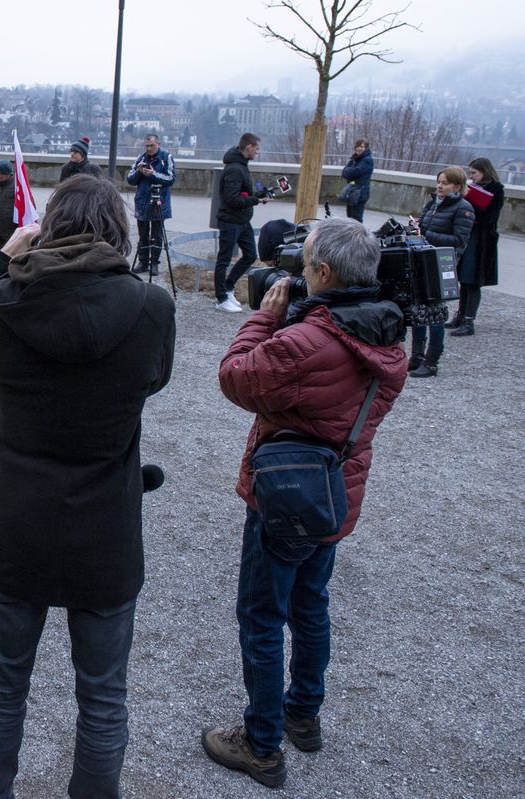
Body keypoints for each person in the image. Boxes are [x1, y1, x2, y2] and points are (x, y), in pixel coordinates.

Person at [0, 175, 176, 799]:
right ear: (118, 231)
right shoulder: (151, 308)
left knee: (4, 685)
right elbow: (153, 380)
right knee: (103, 698)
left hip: (18, 523)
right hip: (106, 528)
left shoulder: (2, 303)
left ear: (49, 228)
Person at [201, 217, 407, 789]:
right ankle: (302, 714)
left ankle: (262, 745)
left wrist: (266, 316)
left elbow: (235, 377)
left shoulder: (302, 342)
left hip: (286, 494)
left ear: (320, 271)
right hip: (336, 490)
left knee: (264, 616)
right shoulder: (386, 331)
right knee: (311, 604)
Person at [407, 166, 474, 378]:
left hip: (440, 264)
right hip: (422, 260)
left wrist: (427, 233)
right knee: (418, 310)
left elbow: (458, 241)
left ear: (457, 185)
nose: (439, 186)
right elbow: (424, 228)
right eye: (439, 182)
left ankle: (432, 361)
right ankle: (416, 355)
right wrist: (415, 228)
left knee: (435, 314)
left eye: (444, 183)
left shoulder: (464, 208)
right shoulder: (433, 203)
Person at [214, 132, 270, 313]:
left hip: (243, 221)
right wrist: (256, 201)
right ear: (249, 147)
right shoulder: (234, 169)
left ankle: (228, 287)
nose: (258, 152)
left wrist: (259, 195)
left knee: (250, 255)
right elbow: (232, 199)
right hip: (230, 221)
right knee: (223, 260)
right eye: (257, 148)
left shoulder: (242, 166)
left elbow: (244, 193)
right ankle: (221, 299)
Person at [448, 157, 503, 338]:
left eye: (474, 173)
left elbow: (490, 218)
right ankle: (461, 315)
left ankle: (469, 320)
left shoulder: (496, 190)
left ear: (484, 172)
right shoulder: (472, 188)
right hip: (469, 236)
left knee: (473, 281)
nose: (471, 177)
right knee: (464, 279)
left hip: (482, 240)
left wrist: (472, 205)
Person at [126, 134, 176, 276]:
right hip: (142, 202)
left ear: (158, 144)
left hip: (160, 202)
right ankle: (143, 262)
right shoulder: (141, 159)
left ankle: (154, 263)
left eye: (151, 146)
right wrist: (140, 172)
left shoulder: (166, 158)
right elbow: (130, 179)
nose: (149, 148)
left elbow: (171, 178)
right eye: (146, 146)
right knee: (143, 235)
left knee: (157, 235)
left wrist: (152, 174)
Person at [340, 139, 374, 222]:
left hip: (360, 193)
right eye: (357, 146)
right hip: (352, 192)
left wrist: (348, 171)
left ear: (366, 148)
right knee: (350, 217)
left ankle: (358, 235)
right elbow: (344, 172)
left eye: (362, 146)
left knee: (356, 219)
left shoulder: (367, 160)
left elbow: (355, 172)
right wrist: (348, 172)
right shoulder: (354, 159)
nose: (359, 148)